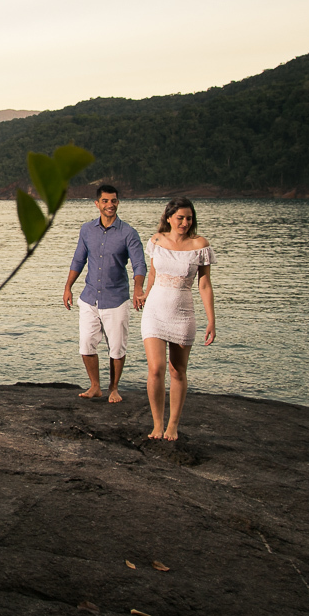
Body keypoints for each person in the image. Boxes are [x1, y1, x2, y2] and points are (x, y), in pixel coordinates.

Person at [139, 197, 217, 441]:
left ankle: (173, 425)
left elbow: (204, 284)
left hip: (183, 312)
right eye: (180, 217)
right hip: (154, 310)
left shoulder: (200, 244)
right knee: (156, 369)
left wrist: (211, 320)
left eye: (189, 218)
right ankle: (157, 424)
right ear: (169, 217)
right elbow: (153, 273)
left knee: (178, 371)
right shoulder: (157, 240)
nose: (184, 222)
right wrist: (143, 294)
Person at [63, 185, 147, 403]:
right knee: (86, 343)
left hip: (117, 299)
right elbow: (78, 260)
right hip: (89, 297)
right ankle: (95, 386)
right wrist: (68, 287)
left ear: (118, 203)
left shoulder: (129, 233)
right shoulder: (86, 230)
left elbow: (139, 264)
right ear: (97, 203)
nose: (110, 205)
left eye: (114, 201)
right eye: (106, 201)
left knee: (117, 348)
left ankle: (114, 388)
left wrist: (139, 289)